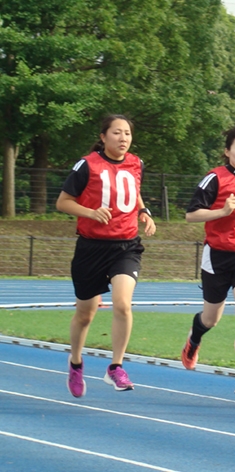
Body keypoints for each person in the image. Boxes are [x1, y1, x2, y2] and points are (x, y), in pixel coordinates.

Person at [56, 114, 156, 398]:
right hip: (91, 247)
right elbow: (62, 202)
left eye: (127, 133)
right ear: (103, 137)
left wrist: (144, 211)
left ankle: (116, 367)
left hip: (126, 245)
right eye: (116, 133)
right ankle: (75, 362)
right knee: (85, 314)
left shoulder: (136, 163)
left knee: (122, 304)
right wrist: (90, 213)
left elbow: (134, 193)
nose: (123, 138)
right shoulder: (87, 165)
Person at [180, 127, 235, 396]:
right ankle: (194, 340)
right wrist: (223, 211)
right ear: (227, 152)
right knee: (210, 318)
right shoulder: (215, 177)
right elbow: (191, 215)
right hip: (217, 256)